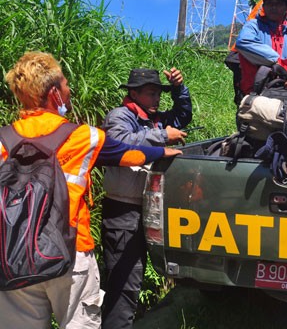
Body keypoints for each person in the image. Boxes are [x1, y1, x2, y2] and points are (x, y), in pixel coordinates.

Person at [0, 52, 182, 329]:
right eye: (65, 84)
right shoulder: (83, 136)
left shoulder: (3, 139)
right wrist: (162, 149)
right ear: (54, 94)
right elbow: (127, 153)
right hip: (71, 252)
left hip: (13, 255)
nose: (69, 89)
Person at [101, 67, 192, 328]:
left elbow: (182, 116)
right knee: (124, 282)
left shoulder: (151, 118)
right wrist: (163, 136)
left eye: (158, 94)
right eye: (152, 94)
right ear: (134, 93)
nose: (157, 99)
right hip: (122, 211)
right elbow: (119, 143)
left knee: (133, 278)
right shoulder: (120, 116)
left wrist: (178, 90)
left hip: (143, 208)